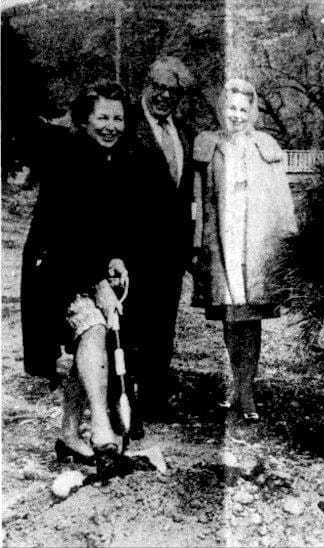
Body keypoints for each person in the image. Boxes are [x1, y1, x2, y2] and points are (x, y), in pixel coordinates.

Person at [28, 80, 142, 473]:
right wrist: (98, 284)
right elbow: (68, 232)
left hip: (84, 265)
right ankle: (102, 431)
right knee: (93, 327)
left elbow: (103, 227)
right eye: (103, 117)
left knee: (88, 343)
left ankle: (69, 433)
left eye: (118, 118)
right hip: (55, 268)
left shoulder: (110, 161)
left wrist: (114, 258)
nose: (112, 125)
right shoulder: (69, 157)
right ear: (85, 120)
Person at [193, 78, 297, 423]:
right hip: (223, 240)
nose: (236, 115)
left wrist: (286, 242)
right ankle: (237, 386)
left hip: (254, 244)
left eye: (242, 109)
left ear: (252, 111)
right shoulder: (209, 146)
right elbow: (201, 201)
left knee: (250, 319)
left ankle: (247, 390)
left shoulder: (265, 147)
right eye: (230, 108)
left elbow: (281, 202)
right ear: (221, 109)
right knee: (229, 315)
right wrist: (198, 245)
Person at [124, 56, 197, 435]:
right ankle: (125, 405)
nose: (165, 97)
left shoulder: (182, 131)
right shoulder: (126, 126)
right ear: (146, 85)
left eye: (174, 92)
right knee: (129, 326)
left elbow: (185, 195)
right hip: (132, 248)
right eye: (159, 89)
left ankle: (154, 397)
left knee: (162, 324)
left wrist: (189, 248)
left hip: (170, 251)